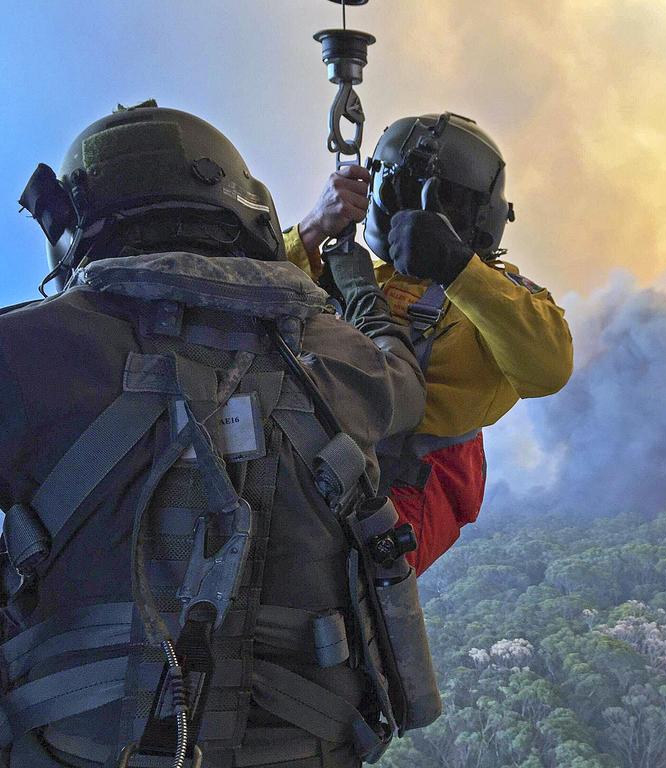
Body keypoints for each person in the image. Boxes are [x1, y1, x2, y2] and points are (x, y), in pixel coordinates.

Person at [0, 103, 433, 768]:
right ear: (242, 211)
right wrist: (361, 293)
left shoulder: (22, 351)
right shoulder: (341, 355)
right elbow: (404, 383)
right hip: (309, 746)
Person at [285, 112, 573, 574]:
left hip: (411, 479)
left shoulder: (497, 297)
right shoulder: (349, 270)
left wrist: (458, 268)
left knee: (328, 581)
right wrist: (313, 229)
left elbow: (550, 368)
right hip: (325, 457)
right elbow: (247, 291)